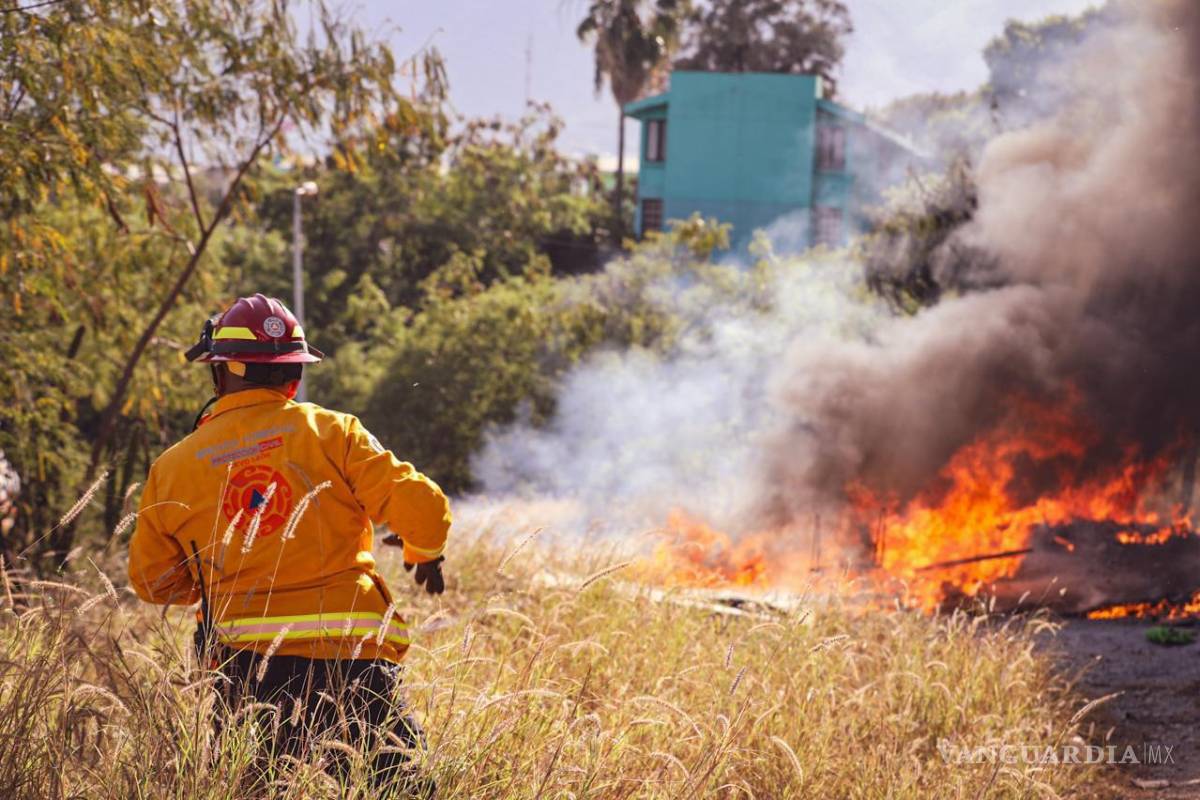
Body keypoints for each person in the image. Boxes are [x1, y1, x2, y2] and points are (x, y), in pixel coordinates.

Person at [128, 293, 450, 794]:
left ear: (221, 375)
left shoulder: (171, 468)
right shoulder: (333, 432)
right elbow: (424, 509)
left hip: (245, 677)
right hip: (354, 671)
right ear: (293, 376)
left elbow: (152, 581)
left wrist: (215, 579)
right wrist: (424, 552)